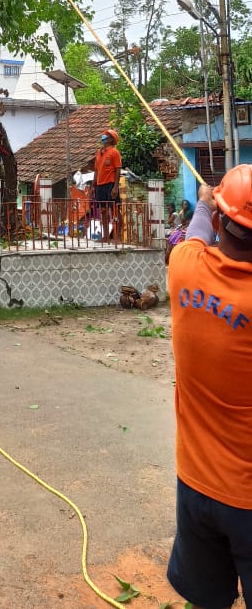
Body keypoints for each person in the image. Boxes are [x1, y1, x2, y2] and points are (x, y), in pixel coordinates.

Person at [167, 166, 252, 609]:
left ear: (222, 221)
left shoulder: (183, 269)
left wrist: (204, 200)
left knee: (206, 601)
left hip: (196, 486)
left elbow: (196, 232)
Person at [93, 129, 121, 242]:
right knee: (103, 211)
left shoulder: (114, 152)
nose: (104, 137)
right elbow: (96, 170)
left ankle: (117, 236)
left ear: (111, 140)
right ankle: (105, 236)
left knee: (115, 210)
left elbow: (118, 170)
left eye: (107, 136)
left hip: (110, 184)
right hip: (100, 185)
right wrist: (92, 186)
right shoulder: (99, 152)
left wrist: (115, 187)